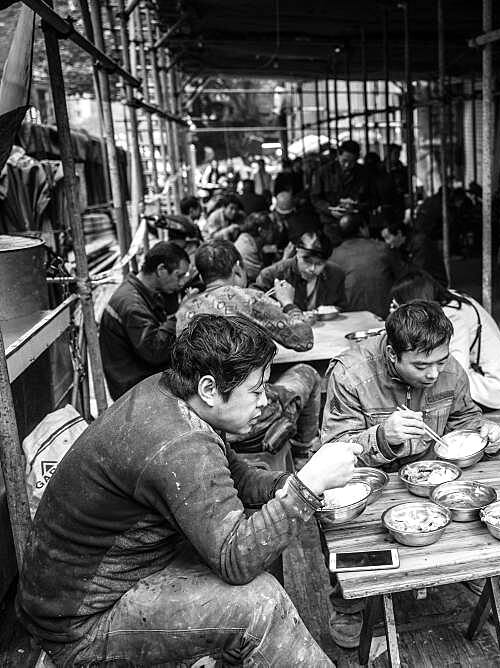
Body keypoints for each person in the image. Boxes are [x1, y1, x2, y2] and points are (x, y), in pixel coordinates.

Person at [17, 314, 361, 666]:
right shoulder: (180, 442)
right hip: (79, 623)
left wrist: (290, 484)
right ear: (210, 389)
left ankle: (235, 654)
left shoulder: (174, 394)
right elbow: (235, 561)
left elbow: (237, 478)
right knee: (261, 603)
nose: (264, 401)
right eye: (255, 390)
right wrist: (306, 488)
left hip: (113, 578)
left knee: (263, 539)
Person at [321, 300, 500, 647]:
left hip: (429, 475)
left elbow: (465, 420)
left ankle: (456, 572)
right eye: (421, 366)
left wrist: (487, 433)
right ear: (392, 353)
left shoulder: (449, 369)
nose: (434, 374)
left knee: (479, 501)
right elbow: (333, 449)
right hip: (369, 478)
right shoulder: (352, 373)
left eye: (440, 361)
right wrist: (382, 436)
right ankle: (349, 605)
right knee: (348, 524)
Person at [177, 240, 321, 463]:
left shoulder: (184, 308)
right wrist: (287, 302)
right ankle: (304, 454)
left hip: (205, 415)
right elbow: (304, 340)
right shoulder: (246, 297)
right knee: (308, 373)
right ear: (237, 268)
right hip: (247, 416)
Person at [390, 271, 500, 410]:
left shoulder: (452, 316)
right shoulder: (450, 299)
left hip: (488, 389)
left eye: (399, 305)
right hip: (480, 379)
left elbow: (455, 370)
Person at [99, 241, 190, 399]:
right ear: (161, 270)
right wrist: (181, 313)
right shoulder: (132, 304)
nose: (181, 283)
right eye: (179, 275)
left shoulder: (143, 291)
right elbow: (155, 352)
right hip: (133, 388)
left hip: (140, 372)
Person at [328, 213, 404, 318]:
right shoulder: (383, 249)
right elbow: (403, 279)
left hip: (348, 318)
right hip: (384, 317)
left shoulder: (333, 256)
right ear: (362, 229)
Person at [255, 230, 346, 311]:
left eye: (319, 264)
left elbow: (342, 308)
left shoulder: (336, 274)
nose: (312, 269)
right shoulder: (272, 274)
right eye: (307, 261)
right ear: (297, 252)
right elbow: (254, 306)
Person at [233, 211, 272, 282]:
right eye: (269, 229)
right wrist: (285, 258)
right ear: (261, 231)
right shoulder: (248, 248)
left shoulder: (244, 238)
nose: (271, 232)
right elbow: (261, 277)